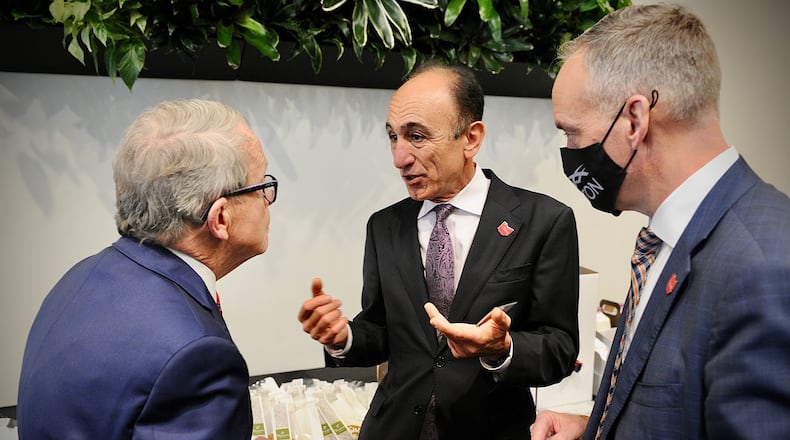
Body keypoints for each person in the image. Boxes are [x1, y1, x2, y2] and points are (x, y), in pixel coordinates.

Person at [531, 4, 790, 439]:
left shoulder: (762, 267)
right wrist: (595, 429)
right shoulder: (669, 239)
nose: (570, 150)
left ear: (634, 120)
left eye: (572, 132)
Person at [298, 61, 580, 439]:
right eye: (393, 137)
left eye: (416, 137)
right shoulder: (385, 226)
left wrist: (502, 348)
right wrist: (342, 338)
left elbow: (559, 348)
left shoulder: (543, 221)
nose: (399, 158)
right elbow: (383, 331)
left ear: (471, 138)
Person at [17, 99, 277, 438]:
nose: (269, 199)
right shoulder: (198, 356)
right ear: (221, 218)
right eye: (261, 186)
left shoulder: (78, 279)